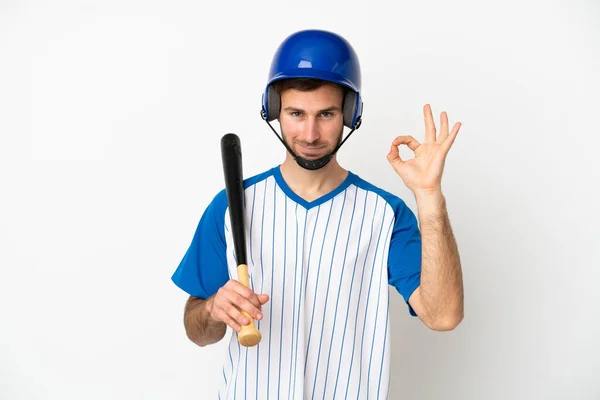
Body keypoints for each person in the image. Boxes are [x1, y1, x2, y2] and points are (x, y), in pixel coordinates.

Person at [171, 29, 464, 399]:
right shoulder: (232, 206)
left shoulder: (385, 214)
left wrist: (429, 196)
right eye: (296, 113)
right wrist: (214, 309)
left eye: (326, 114)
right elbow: (196, 331)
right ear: (275, 111)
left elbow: (443, 316)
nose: (310, 134)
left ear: (350, 113)